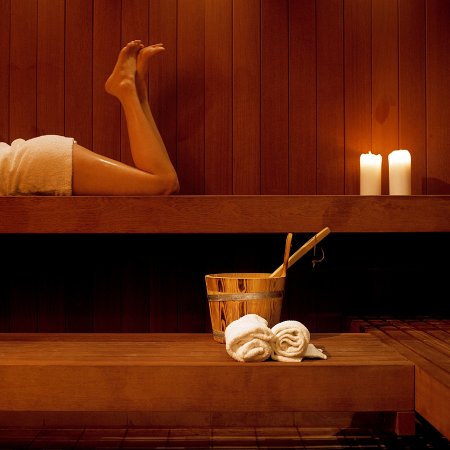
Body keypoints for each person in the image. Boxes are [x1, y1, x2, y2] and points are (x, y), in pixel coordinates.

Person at [0, 40, 179, 196]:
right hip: (32, 162)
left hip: (30, 167)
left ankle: (128, 90)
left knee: (163, 183)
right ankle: (137, 93)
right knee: (163, 183)